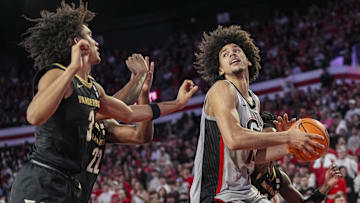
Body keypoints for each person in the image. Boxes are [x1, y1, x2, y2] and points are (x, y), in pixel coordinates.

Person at [10, 2, 198, 203]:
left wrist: (177, 104)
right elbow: (34, 116)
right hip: (42, 181)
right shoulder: (56, 73)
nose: (96, 42)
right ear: (78, 43)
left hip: (70, 187)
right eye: (90, 36)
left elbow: (129, 113)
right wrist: (73, 67)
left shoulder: (93, 89)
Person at [190, 25, 324, 203]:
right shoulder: (221, 89)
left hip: (244, 191)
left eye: (237, 50)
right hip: (216, 193)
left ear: (248, 60)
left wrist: (293, 145)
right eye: (225, 54)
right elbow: (234, 139)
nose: (232, 54)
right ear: (220, 70)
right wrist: (287, 136)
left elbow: (254, 156)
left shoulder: (254, 101)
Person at [76, 54, 155, 203]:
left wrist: (143, 94)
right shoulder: (73, 102)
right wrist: (141, 74)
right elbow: (119, 106)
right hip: (52, 192)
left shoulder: (100, 122)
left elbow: (141, 136)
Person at [251, 112, 342, 203]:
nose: (269, 144)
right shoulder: (244, 169)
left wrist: (326, 186)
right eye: (265, 140)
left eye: (273, 138)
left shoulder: (278, 178)